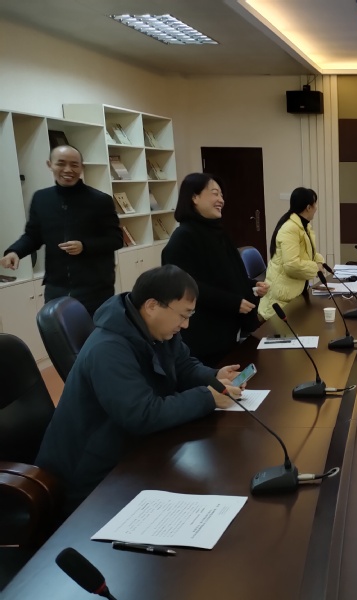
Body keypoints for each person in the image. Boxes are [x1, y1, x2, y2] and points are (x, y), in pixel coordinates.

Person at [35, 265, 242, 514]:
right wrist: (206, 397)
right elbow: (142, 414)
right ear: (152, 306)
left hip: (132, 449)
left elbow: (183, 365)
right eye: (182, 315)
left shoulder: (156, 329)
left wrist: (214, 377)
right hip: (91, 478)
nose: (185, 325)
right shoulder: (108, 349)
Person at [0, 145, 122, 314]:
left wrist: (84, 246)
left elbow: (116, 239)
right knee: (57, 331)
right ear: (50, 164)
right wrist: (15, 252)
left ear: (82, 167)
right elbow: (33, 235)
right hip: (56, 288)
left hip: (95, 288)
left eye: (74, 165)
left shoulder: (100, 200)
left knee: (95, 331)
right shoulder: (41, 198)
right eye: (61, 163)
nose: (68, 170)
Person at [161, 173, 268, 365]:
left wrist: (251, 285)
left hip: (228, 329)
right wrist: (232, 302)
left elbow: (227, 274)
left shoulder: (217, 232)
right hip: (206, 338)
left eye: (221, 195)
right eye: (215, 193)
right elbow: (187, 287)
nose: (221, 200)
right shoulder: (183, 238)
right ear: (194, 197)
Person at [257, 187, 325, 321]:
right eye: (315, 204)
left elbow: (309, 253)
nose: (316, 208)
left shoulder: (304, 226)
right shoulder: (290, 228)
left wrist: (320, 262)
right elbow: (292, 265)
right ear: (308, 207)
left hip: (293, 296)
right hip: (280, 303)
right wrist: (316, 268)